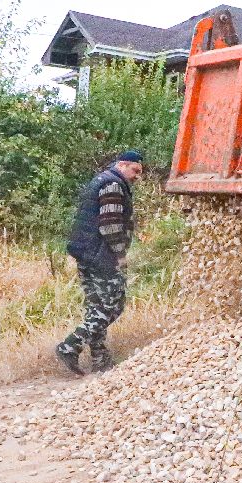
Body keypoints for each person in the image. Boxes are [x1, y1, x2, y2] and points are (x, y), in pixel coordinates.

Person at [57, 150, 144, 374]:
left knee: (96, 307)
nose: (137, 176)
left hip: (85, 252)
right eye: (136, 170)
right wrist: (119, 253)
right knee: (112, 306)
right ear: (123, 165)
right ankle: (70, 345)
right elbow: (110, 224)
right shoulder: (114, 185)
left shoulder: (100, 180)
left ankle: (100, 359)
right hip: (100, 255)